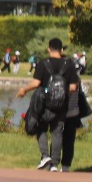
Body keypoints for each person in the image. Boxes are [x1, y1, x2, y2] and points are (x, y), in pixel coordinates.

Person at [18, 38, 81, 171]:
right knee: (57, 132)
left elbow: (35, 84)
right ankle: (54, 164)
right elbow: (74, 87)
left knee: (41, 128)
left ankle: (45, 155)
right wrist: (61, 91)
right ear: (62, 50)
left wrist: (24, 90)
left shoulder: (43, 63)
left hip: (45, 104)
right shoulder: (69, 64)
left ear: (48, 49)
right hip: (61, 104)